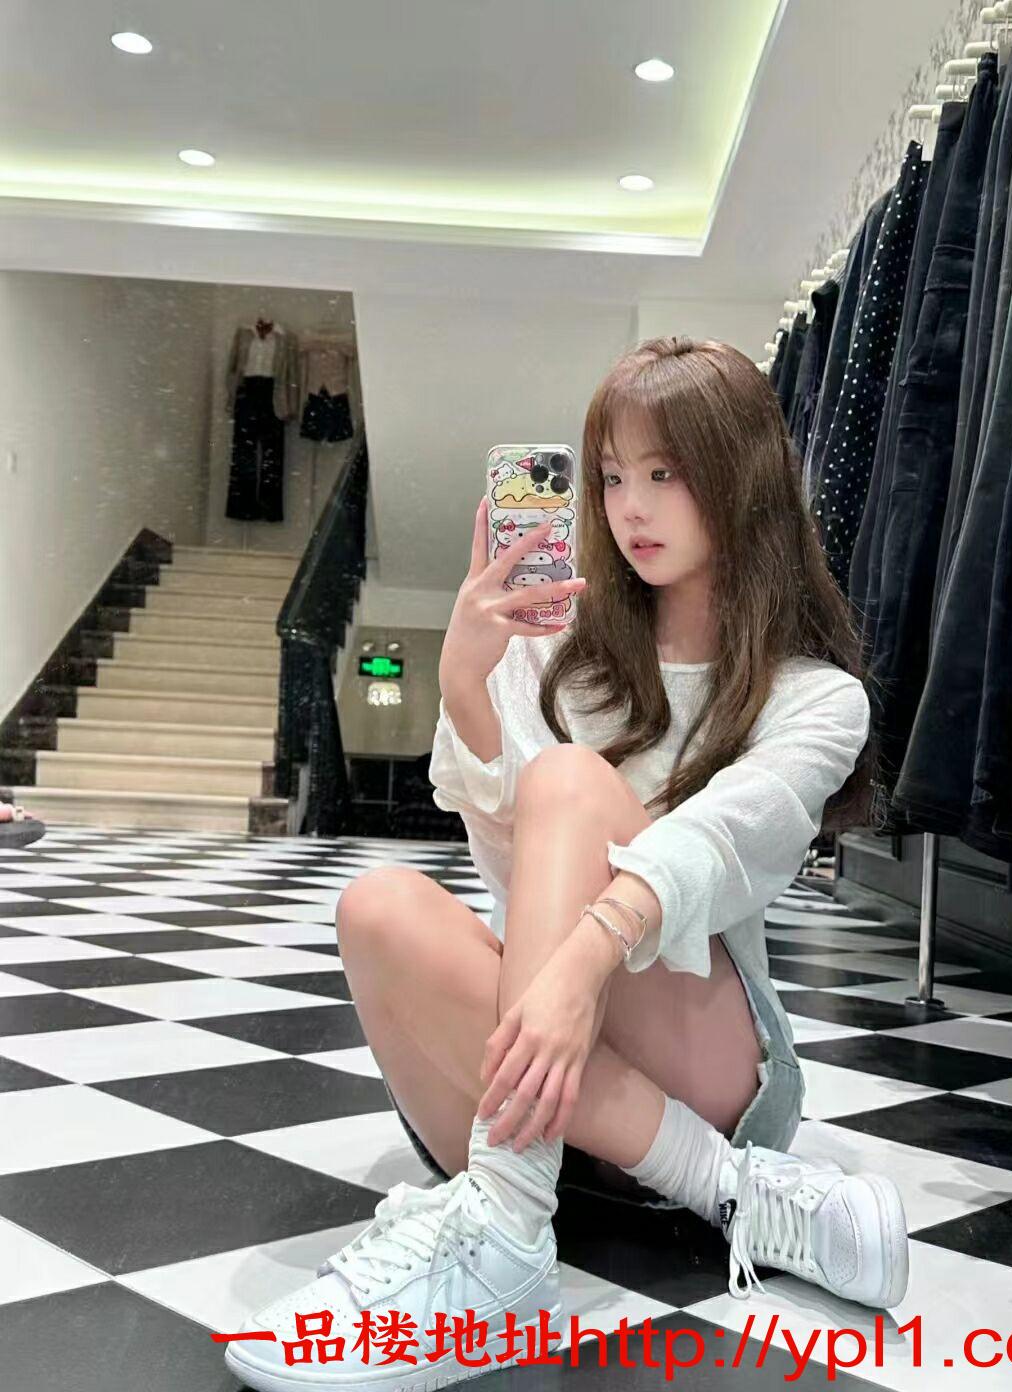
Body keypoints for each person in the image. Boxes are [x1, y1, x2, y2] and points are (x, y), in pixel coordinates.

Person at [225, 338, 909, 1392]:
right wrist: (464, 681)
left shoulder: (815, 696)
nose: (631, 507)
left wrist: (583, 963)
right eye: (612, 476)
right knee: (378, 906)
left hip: (711, 1063)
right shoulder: (558, 651)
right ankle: (702, 1191)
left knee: (571, 784)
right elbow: (509, 848)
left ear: (743, 475)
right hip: (548, 1068)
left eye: (665, 472)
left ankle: (501, 1226)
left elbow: (718, 844)